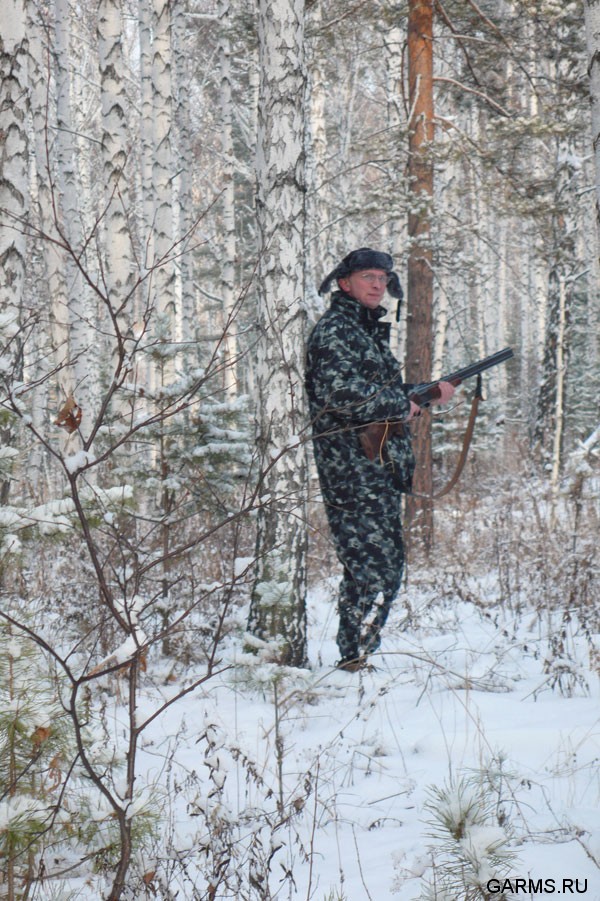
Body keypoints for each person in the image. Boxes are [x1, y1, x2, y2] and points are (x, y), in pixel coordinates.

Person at [305, 248, 454, 671]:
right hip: (352, 472)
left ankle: (359, 656)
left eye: (383, 277)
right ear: (344, 282)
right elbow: (341, 395)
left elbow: (371, 387)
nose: (377, 283)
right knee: (373, 569)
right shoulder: (336, 330)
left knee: (382, 566)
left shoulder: (363, 330)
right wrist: (399, 403)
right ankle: (354, 661)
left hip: (376, 469)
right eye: (367, 276)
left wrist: (425, 391)